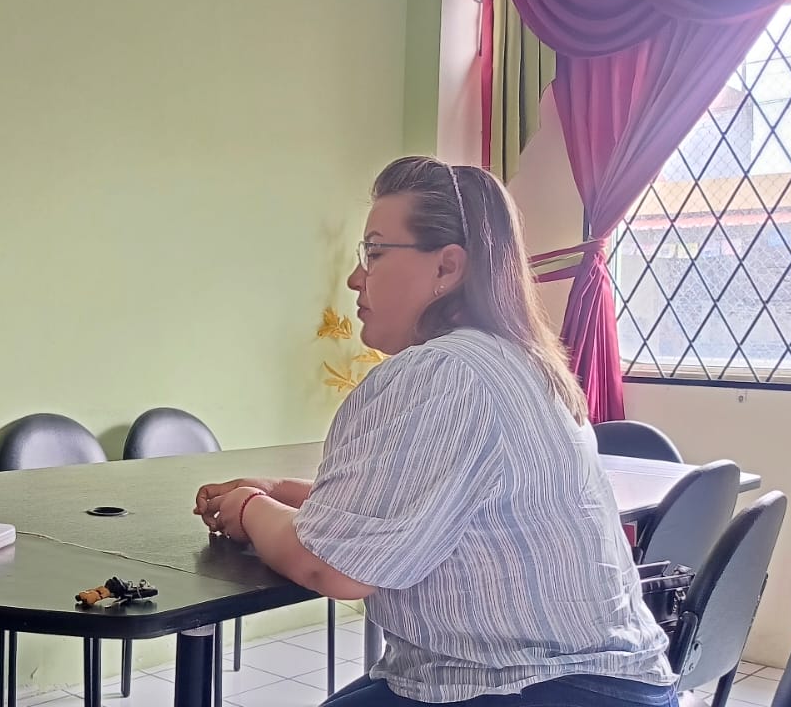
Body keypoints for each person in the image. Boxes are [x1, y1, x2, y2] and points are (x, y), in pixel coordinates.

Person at [194, 158, 680, 707]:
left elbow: (329, 567)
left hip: (537, 687)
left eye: (375, 253)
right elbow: (418, 514)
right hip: (596, 681)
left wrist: (249, 509)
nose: (355, 278)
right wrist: (281, 491)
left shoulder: (442, 372)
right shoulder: (517, 362)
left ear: (447, 267)